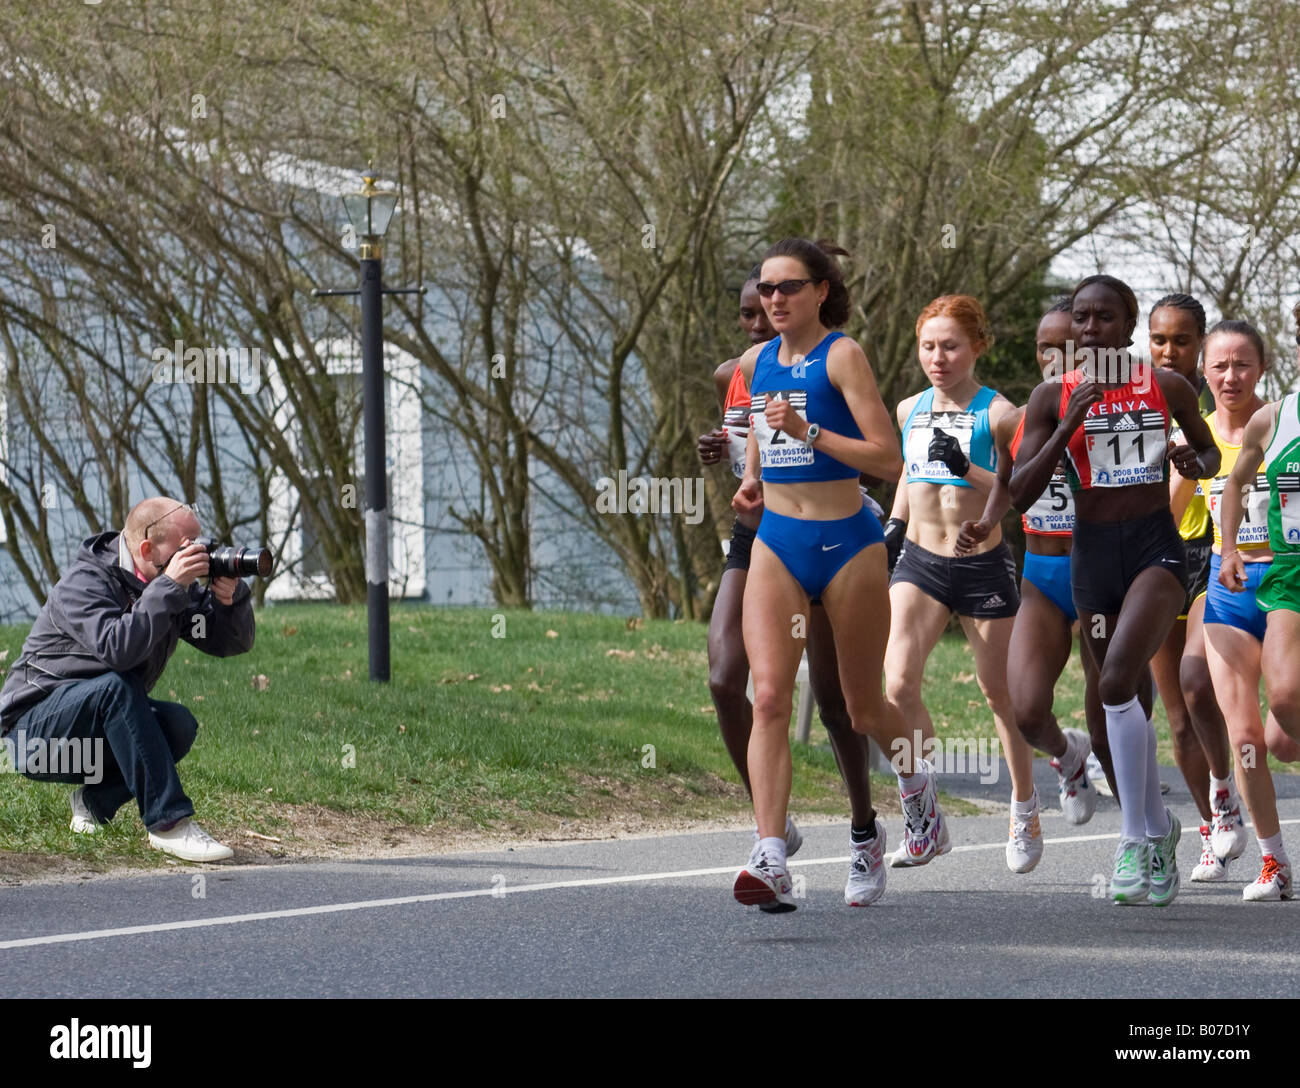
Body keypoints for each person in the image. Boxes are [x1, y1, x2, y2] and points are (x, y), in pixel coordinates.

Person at [1011, 274, 1219, 906]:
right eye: (1081, 318)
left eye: (1105, 318)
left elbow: (1211, 457)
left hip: (1157, 552)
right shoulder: (1053, 395)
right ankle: (1159, 828)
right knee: (1107, 703)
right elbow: (1019, 491)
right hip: (1091, 560)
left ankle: (1134, 837)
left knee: (1113, 684)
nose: (1090, 328)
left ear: (1128, 326)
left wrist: (1194, 463)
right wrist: (1067, 420)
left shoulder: (1167, 384)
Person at [698, 267, 883, 906]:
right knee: (753, 687)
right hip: (767, 535)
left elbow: (885, 459)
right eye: (758, 299)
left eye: (783, 293)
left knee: (849, 705)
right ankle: (771, 847)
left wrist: (809, 435)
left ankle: (886, 812)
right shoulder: (748, 366)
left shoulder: (840, 357)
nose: (769, 307)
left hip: (839, 536)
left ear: (818, 293)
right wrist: (738, 467)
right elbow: (753, 440)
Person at [0, 498, 256, 862]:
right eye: (186, 546)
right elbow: (117, 650)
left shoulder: (166, 584)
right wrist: (169, 586)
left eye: (200, 542)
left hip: (91, 735)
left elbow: (227, 642)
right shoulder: (85, 583)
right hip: (32, 739)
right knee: (115, 687)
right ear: (148, 549)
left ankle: (93, 800)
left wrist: (228, 602)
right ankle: (169, 825)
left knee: (177, 725)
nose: (197, 553)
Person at [883, 295, 1036, 872]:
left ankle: (1024, 807)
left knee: (1002, 695)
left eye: (950, 346)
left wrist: (966, 468)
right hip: (920, 559)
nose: (938, 358)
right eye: (928, 346)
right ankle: (923, 813)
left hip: (982, 564)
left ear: (977, 347)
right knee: (897, 686)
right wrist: (896, 524)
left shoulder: (1001, 413)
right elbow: (905, 472)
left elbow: (1020, 486)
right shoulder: (907, 409)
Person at [957, 298, 1110, 855]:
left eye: (1067, 345)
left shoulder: (1115, 412)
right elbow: (1006, 480)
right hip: (1041, 574)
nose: (1055, 356)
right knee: (1025, 710)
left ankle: (1144, 826)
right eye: (1046, 346)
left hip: (1097, 572)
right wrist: (987, 521)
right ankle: (1069, 760)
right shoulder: (1020, 418)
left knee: (1106, 708)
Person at [1147, 294, 1240, 869]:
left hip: (1206, 554)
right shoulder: (1130, 402)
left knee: (1197, 679)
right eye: (1159, 339)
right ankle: (1210, 824)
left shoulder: (1218, 410)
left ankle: (1228, 792)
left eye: (1182, 340)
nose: (1169, 351)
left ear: (1201, 344)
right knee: (1176, 715)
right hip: (1154, 556)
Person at [1214, 313, 1300, 899]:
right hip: (1247, 582)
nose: (1231, 375)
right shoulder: (1275, 417)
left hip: (1289, 577)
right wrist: (1224, 549)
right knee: (1245, 736)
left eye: (1243, 363)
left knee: (1284, 727)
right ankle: (1273, 861)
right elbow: (1236, 483)